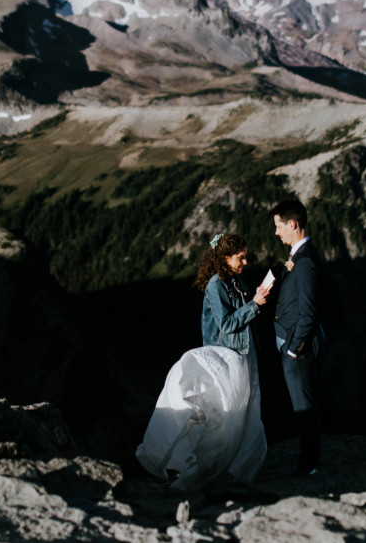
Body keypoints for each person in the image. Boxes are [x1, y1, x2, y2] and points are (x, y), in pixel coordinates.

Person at [136, 232, 273, 491]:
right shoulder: (216, 285)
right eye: (240, 258)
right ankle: (206, 468)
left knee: (243, 414)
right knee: (225, 416)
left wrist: (254, 297)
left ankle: (234, 469)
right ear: (224, 258)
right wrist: (254, 304)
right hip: (226, 357)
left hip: (243, 355)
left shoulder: (234, 280)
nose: (245, 262)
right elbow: (227, 324)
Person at [271, 198, 322, 476]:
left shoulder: (305, 263)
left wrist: (294, 350)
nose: (276, 232)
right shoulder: (299, 257)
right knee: (301, 406)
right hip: (291, 343)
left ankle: (309, 465)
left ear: (292, 224)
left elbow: (309, 314)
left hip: (297, 349)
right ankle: (308, 461)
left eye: (279, 226)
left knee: (304, 408)